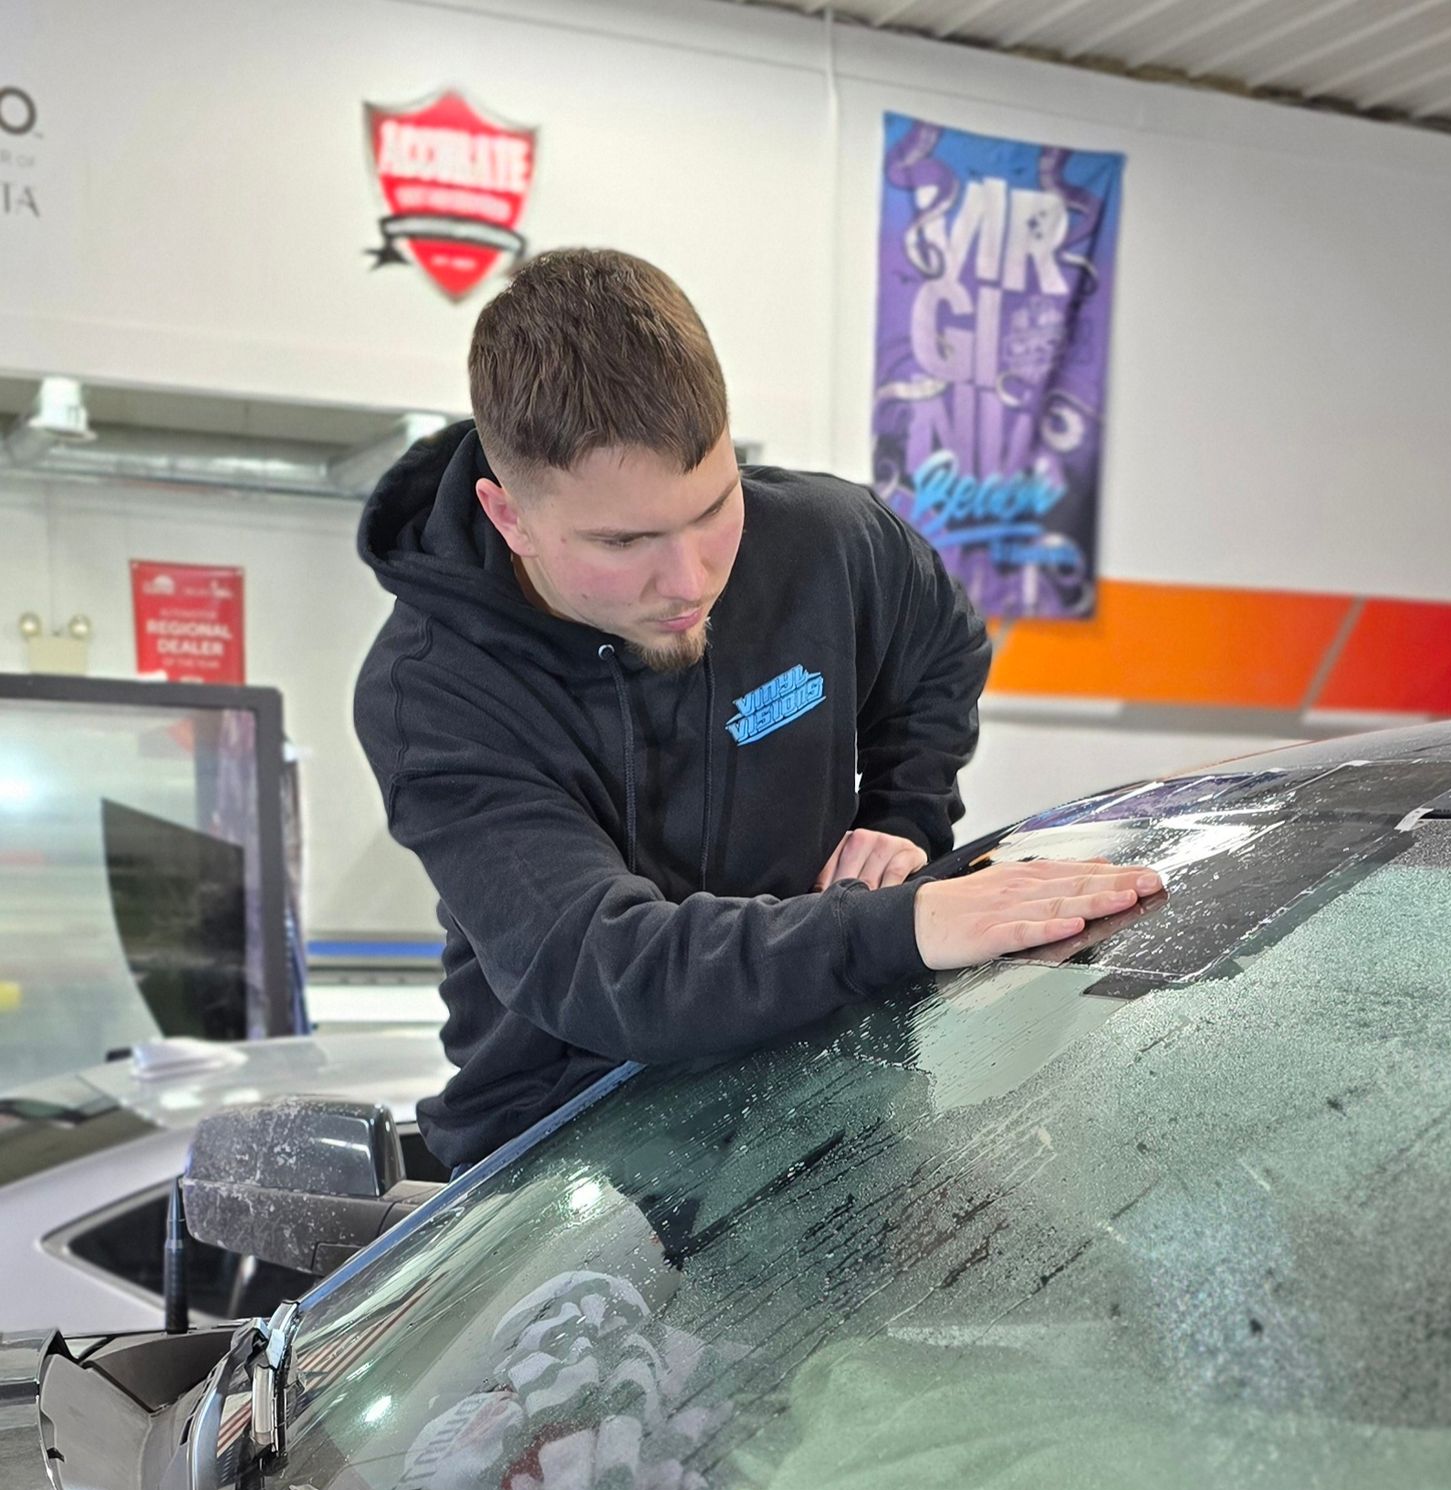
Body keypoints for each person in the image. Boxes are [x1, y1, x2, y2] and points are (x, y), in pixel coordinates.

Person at [354, 246, 1160, 1172]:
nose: (689, 579)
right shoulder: (434, 693)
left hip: (821, 1089)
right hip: (571, 1153)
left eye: (711, 508)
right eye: (624, 541)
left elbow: (942, 649)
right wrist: (905, 925)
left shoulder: (831, 545)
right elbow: (607, 969)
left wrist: (904, 811)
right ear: (510, 518)